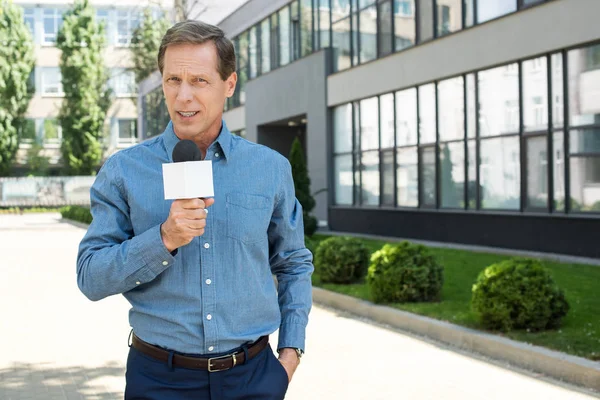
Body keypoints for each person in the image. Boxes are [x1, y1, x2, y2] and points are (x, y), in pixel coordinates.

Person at [76, 20, 313, 400]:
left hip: (253, 378)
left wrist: (290, 354)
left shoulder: (269, 168)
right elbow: (90, 277)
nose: (183, 96)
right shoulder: (124, 171)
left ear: (229, 85)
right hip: (158, 380)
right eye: (173, 81)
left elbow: (293, 262)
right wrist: (164, 238)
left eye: (199, 81)